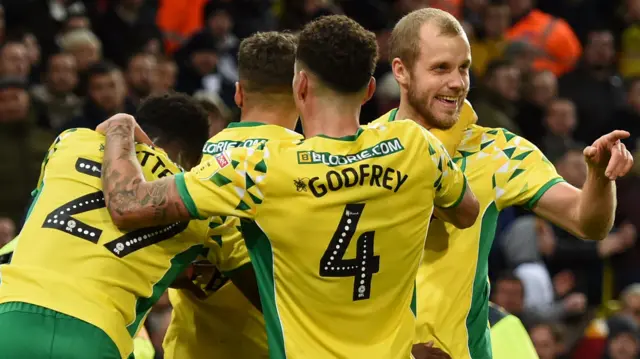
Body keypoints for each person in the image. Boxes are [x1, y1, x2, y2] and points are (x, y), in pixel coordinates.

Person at [97, 15, 479, 359]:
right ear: (369, 91)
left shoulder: (261, 168)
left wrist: (119, 127)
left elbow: (128, 205)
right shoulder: (416, 147)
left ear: (301, 85)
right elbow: (466, 211)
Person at [370, 7, 633, 359]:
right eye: (440, 69)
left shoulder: (498, 151)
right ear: (400, 71)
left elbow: (587, 222)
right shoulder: (363, 149)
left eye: (463, 67)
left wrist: (600, 179)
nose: (457, 82)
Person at [0, 93, 220, 359]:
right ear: (191, 158)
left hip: (9, 313)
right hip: (95, 332)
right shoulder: (195, 200)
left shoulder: (69, 140)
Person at [163, 31, 302, 359]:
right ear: (303, 91)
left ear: (239, 94)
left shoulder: (192, 159)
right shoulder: (309, 167)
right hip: (273, 348)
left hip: (189, 349)